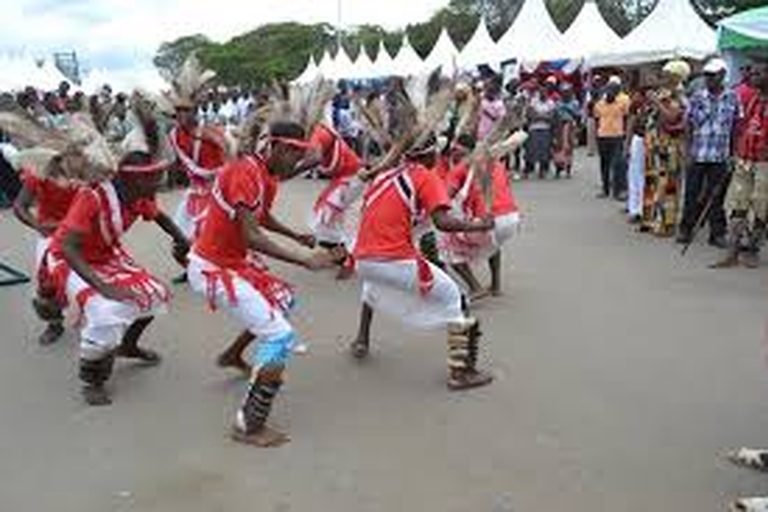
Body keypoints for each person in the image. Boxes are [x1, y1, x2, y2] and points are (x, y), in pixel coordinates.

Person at [187, 120, 336, 447]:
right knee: (280, 336)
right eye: (291, 154)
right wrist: (304, 259)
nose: (295, 162)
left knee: (281, 301)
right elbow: (251, 234)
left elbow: (259, 217)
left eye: (299, 155)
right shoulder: (244, 172)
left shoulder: (264, 175)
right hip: (213, 268)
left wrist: (295, 235)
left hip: (232, 263)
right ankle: (248, 425)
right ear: (275, 147)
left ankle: (231, 354)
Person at [51, 118, 189, 406]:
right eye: (150, 176)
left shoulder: (136, 195)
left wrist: (181, 239)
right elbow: (67, 246)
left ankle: (128, 346)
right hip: (69, 260)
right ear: (130, 178)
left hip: (107, 257)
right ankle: (92, 379)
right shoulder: (93, 197)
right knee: (105, 311)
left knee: (153, 294)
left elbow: (160, 216)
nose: (157, 181)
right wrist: (103, 287)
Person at [348, 135, 496, 392]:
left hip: (362, 259)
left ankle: (361, 339)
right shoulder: (425, 176)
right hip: (391, 257)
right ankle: (460, 372)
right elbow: (443, 222)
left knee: (372, 284)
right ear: (430, 156)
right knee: (456, 299)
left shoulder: (385, 176)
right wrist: (478, 224)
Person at [168, 57, 227, 282]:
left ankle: (214, 274)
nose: (182, 115)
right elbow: (173, 162)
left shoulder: (211, 133)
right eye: (178, 111)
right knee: (180, 240)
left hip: (214, 194)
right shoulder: (173, 135)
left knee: (210, 240)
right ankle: (192, 270)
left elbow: (228, 160)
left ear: (196, 111)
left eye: (187, 111)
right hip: (193, 193)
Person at [13, 147, 81, 345]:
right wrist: (38, 225)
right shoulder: (38, 172)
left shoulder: (85, 171)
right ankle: (54, 323)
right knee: (47, 285)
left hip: (81, 232)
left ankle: (95, 320)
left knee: (92, 277)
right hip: (51, 234)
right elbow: (20, 206)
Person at [677, 58, 739, 248]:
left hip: (720, 155)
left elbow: (736, 126)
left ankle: (717, 233)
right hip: (698, 153)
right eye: (706, 75)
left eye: (712, 75)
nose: (708, 79)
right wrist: (687, 152)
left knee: (717, 196)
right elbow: (688, 125)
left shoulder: (732, 98)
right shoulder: (697, 97)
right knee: (692, 194)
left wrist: (733, 152)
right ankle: (686, 229)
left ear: (722, 75)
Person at [714, 62, 768, 268]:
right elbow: (743, 128)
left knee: (761, 207)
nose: (752, 76)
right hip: (745, 158)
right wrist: (736, 152)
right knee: (738, 204)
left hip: (764, 162)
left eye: (759, 73)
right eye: (752, 72)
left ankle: (753, 249)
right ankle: (733, 253)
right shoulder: (753, 99)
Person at [306, 123, 364, 278]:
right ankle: (342, 254)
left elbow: (316, 157)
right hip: (348, 178)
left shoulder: (317, 133)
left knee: (324, 218)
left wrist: (292, 169)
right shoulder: (317, 131)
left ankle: (348, 256)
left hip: (352, 178)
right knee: (326, 219)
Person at [638, 60, 689, 236]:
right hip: (654, 145)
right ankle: (650, 221)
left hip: (669, 147)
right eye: (663, 74)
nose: (663, 77)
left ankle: (667, 224)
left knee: (667, 186)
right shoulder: (662, 93)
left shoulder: (679, 96)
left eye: (668, 74)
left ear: (677, 77)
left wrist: (656, 102)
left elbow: (672, 118)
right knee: (652, 182)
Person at [594, 76, 631, 200]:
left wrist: (626, 134)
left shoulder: (622, 102)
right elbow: (597, 120)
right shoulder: (599, 104)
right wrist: (596, 135)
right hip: (603, 136)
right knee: (604, 164)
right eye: (609, 91)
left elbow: (626, 118)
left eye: (614, 91)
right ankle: (605, 189)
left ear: (617, 92)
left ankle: (618, 190)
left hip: (617, 136)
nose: (611, 94)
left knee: (617, 164)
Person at [524, 80, 556, 179]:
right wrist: (543, 116)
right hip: (533, 128)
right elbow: (530, 115)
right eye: (541, 92)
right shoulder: (533, 101)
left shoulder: (551, 102)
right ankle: (528, 170)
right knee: (531, 150)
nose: (543, 93)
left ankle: (542, 170)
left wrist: (538, 115)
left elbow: (551, 117)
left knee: (545, 150)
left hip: (546, 129)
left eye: (545, 92)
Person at [553, 83, 580, 179]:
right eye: (564, 92)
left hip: (570, 126)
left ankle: (568, 170)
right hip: (559, 127)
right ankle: (558, 169)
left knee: (569, 148)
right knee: (558, 148)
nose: (565, 94)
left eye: (567, 92)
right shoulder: (558, 103)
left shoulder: (575, 103)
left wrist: (567, 109)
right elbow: (554, 116)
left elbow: (577, 115)